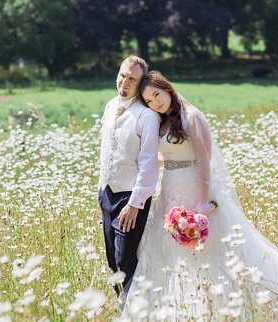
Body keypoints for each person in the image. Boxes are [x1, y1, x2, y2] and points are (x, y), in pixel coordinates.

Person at [126, 71, 278, 317]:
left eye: (157, 95)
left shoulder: (192, 117)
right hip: (170, 193)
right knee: (172, 250)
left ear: (167, 89)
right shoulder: (162, 123)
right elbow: (168, 158)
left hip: (195, 192)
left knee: (211, 251)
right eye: (149, 101)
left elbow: (204, 161)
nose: (156, 103)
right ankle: (180, 307)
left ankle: (228, 303)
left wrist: (202, 203)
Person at [97, 56, 161, 296]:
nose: (124, 81)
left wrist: (135, 204)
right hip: (107, 194)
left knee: (125, 260)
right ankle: (123, 309)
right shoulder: (110, 105)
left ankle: (136, 309)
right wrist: (100, 190)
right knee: (112, 260)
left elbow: (148, 165)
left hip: (130, 198)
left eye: (132, 79)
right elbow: (106, 152)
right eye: (122, 75)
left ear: (140, 82)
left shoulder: (147, 117)